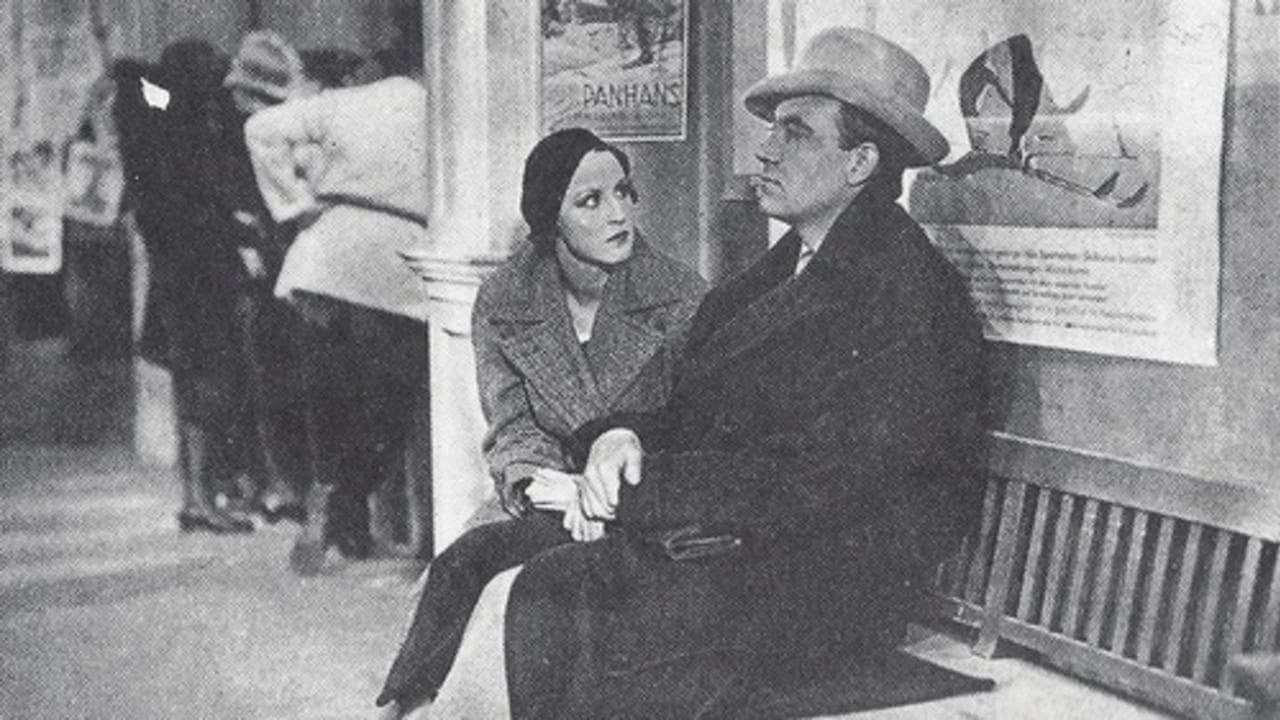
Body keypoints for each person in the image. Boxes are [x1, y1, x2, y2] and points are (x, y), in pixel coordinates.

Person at [408, 27, 989, 719]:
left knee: (552, 588)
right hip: (737, 541)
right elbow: (691, 415)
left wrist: (633, 495)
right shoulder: (781, 270)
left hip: (822, 589)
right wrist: (618, 438)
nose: (765, 150)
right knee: (478, 557)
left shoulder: (906, 294)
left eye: (796, 133)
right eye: (772, 129)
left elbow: (823, 482)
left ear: (860, 162)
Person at [375, 127, 706, 716]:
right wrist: (546, 486)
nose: (618, 214)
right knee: (458, 566)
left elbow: (692, 429)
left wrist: (607, 493)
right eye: (590, 201)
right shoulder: (505, 300)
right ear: (550, 219)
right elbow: (512, 426)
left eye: (623, 192)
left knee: (543, 601)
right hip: (546, 491)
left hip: (645, 499)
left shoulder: (682, 297)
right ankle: (404, 704)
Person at [244, 49, 430, 573]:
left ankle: (332, 504)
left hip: (324, 256)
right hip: (395, 262)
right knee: (390, 406)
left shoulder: (345, 103)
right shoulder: (435, 109)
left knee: (329, 397)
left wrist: (295, 203)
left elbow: (260, 129)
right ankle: (348, 503)